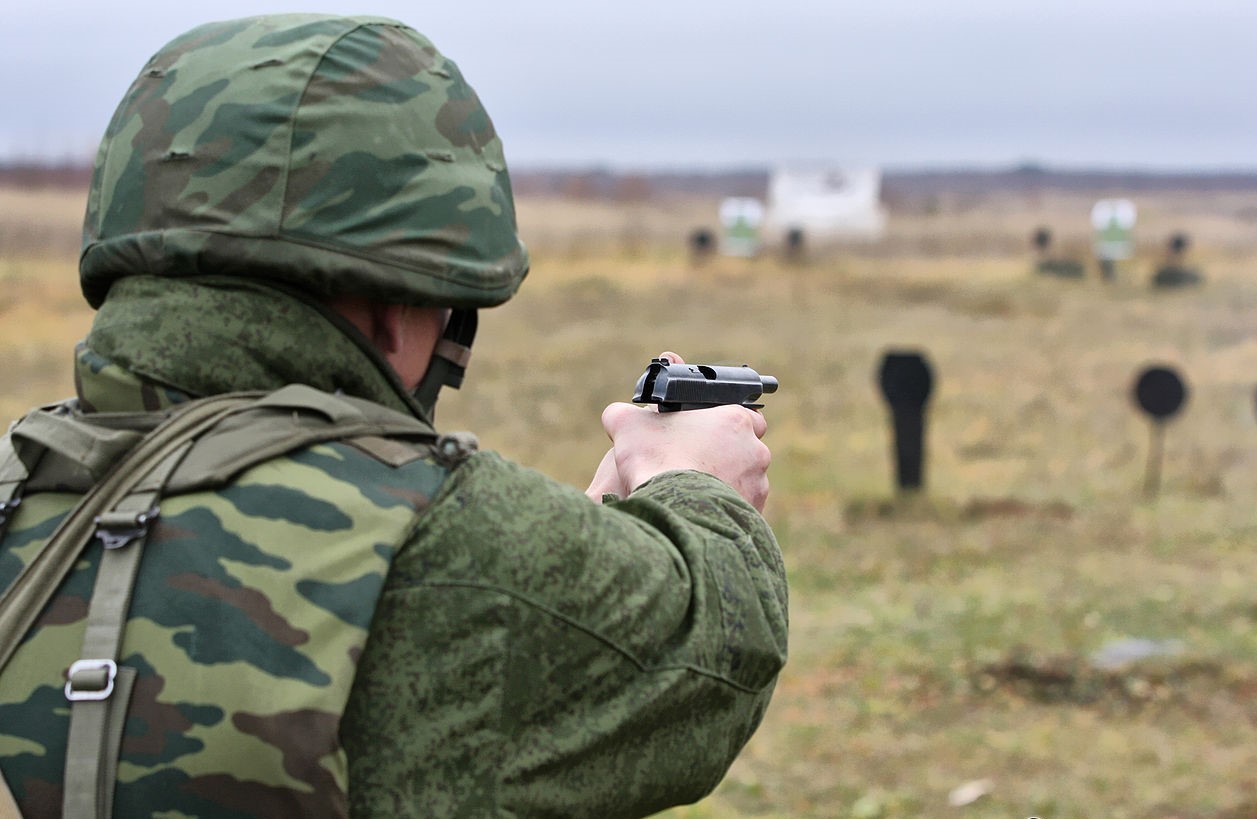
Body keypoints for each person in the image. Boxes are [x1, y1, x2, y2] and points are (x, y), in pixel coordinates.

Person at [0, 13, 787, 819]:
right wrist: (697, 484)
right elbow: (708, 656)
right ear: (394, 306)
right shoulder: (441, 538)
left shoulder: (17, 485)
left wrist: (584, 536)